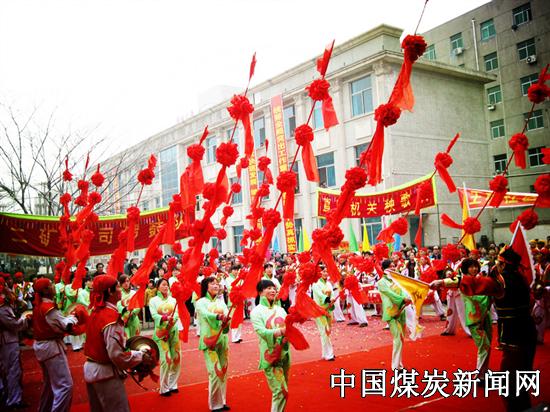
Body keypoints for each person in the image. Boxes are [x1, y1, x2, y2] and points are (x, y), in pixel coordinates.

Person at [431, 247, 537, 411]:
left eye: (498, 263)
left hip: (512, 334)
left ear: (503, 265)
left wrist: (442, 282)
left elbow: (475, 283)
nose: (495, 265)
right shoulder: (523, 278)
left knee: (511, 381)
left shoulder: (501, 282)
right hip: (528, 330)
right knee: (524, 373)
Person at [84, 274, 151, 412]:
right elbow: (116, 354)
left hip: (92, 370)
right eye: (118, 287)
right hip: (105, 373)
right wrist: (140, 355)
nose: (120, 289)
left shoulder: (95, 311)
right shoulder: (110, 318)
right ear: (110, 291)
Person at [32, 277, 81, 412]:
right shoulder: (48, 308)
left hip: (43, 346)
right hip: (51, 347)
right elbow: (65, 325)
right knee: (65, 386)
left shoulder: (40, 305)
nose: (54, 286)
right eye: (51, 285)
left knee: (49, 384)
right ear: (45, 290)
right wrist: (74, 316)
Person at [250, 279, 289, 412]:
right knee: (280, 391)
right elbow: (261, 332)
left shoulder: (280, 309)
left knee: (283, 391)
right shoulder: (256, 311)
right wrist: (280, 332)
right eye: (268, 288)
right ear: (260, 292)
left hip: (284, 353)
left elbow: (288, 326)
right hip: (270, 355)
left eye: (274, 288)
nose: (272, 290)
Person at [196, 276, 230, 412]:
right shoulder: (200, 302)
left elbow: (226, 315)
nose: (216, 285)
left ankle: (222, 401)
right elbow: (205, 314)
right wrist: (218, 316)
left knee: (223, 371)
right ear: (206, 286)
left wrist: (227, 320)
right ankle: (215, 405)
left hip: (222, 340)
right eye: (212, 283)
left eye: (217, 283)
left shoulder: (221, 302)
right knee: (215, 372)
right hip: (209, 341)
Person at [0, 277, 30, 409]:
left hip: (6, 340)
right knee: (13, 370)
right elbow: (13, 324)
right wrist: (25, 318)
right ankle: (13, 400)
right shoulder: (2, 306)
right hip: (7, 341)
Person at [148, 278, 181, 396]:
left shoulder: (173, 300)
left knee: (176, 358)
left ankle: (173, 384)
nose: (166, 287)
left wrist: (172, 320)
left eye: (167, 285)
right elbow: (154, 315)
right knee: (166, 360)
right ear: (158, 287)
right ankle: (164, 388)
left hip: (173, 331)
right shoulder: (153, 301)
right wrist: (165, 318)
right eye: (163, 285)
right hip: (161, 333)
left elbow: (176, 314)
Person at [377, 259, 411, 370]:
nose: (393, 268)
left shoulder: (397, 280)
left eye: (393, 266)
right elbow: (391, 295)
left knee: (401, 339)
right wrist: (403, 299)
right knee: (397, 338)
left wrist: (408, 298)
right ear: (384, 269)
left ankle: (399, 365)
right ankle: (396, 366)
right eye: (390, 267)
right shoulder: (381, 283)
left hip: (401, 310)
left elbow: (403, 291)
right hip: (392, 313)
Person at [311, 266, 335, 361]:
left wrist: (332, 300)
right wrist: (328, 299)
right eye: (323, 271)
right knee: (325, 331)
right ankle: (329, 354)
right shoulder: (315, 283)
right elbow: (320, 295)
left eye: (326, 271)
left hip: (328, 310)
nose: (325, 273)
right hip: (319, 311)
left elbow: (332, 294)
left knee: (327, 331)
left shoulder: (328, 283)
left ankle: (326, 353)